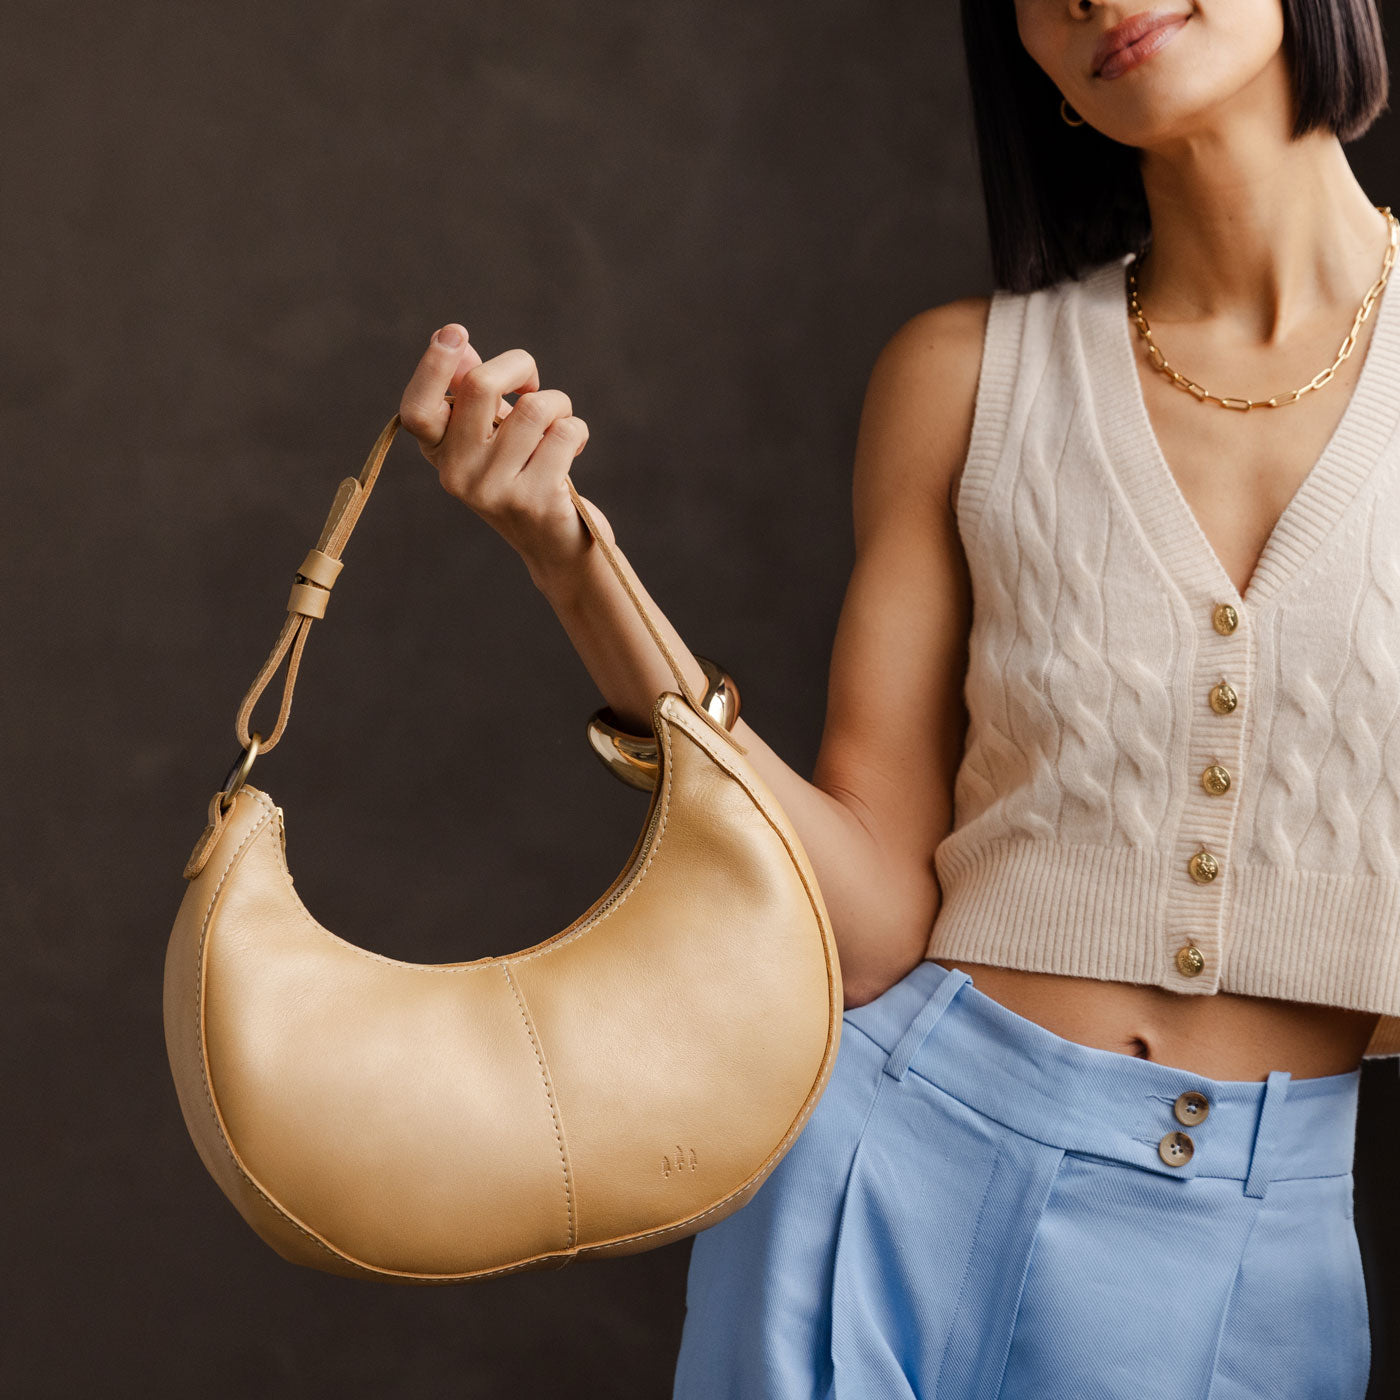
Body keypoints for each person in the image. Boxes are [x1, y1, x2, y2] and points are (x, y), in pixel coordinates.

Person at [396, 1, 1397, 1392]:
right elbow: (868, 923)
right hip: (881, 1173)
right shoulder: (963, 379)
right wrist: (576, 569)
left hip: (1249, 1256)